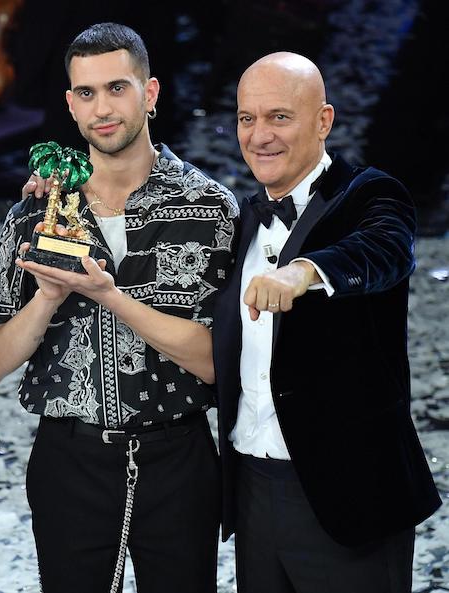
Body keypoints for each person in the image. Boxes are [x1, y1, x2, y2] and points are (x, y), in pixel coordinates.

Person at [0, 23, 237, 593]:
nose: (102, 109)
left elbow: (218, 361)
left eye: (117, 88)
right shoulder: (34, 214)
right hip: (69, 461)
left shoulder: (211, 209)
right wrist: (48, 298)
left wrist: (108, 296)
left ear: (150, 92)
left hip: (179, 458)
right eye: (86, 93)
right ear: (70, 104)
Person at [212, 52, 442, 593]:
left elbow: (385, 249)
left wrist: (305, 272)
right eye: (247, 118)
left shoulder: (370, 194)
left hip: (351, 495)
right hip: (251, 487)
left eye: (279, 117)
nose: (259, 136)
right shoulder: (244, 218)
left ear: (323, 121)